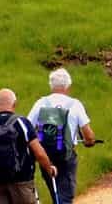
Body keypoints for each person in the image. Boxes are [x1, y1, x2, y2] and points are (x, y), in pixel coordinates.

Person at [28, 70, 97, 204]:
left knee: (55, 193)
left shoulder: (41, 103)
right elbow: (88, 134)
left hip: (45, 156)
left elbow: (27, 127)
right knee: (65, 196)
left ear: (51, 86)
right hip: (66, 157)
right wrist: (89, 141)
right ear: (68, 87)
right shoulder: (75, 104)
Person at [0, 88, 55, 204]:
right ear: (15, 104)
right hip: (21, 184)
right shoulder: (22, 123)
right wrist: (50, 169)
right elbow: (39, 154)